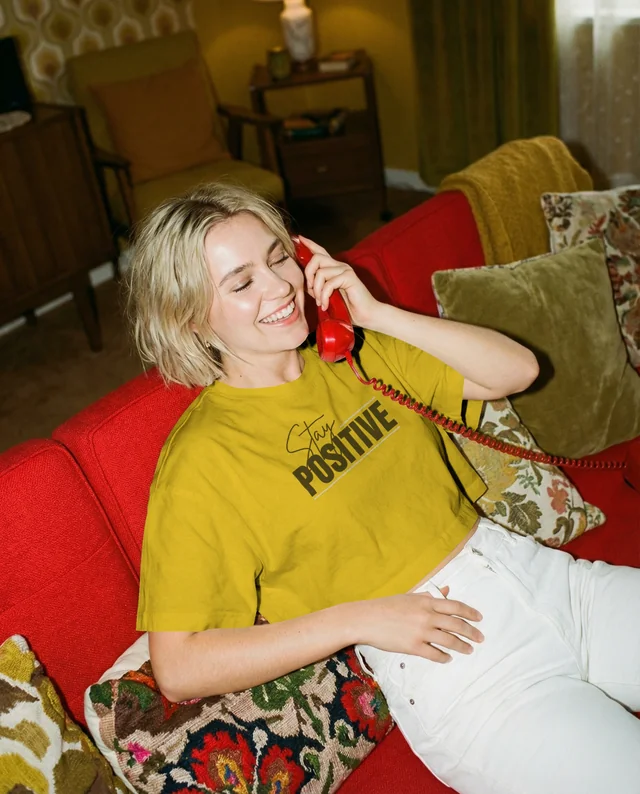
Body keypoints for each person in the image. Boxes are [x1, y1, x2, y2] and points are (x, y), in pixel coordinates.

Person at [130, 183, 640, 794]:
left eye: (277, 257)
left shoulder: (356, 355)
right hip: (471, 678)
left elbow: (517, 370)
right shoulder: (202, 461)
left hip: (552, 583)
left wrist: (374, 316)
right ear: (190, 317)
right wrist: (357, 620)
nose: (279, 287)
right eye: (240, 284)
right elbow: (180, 666)